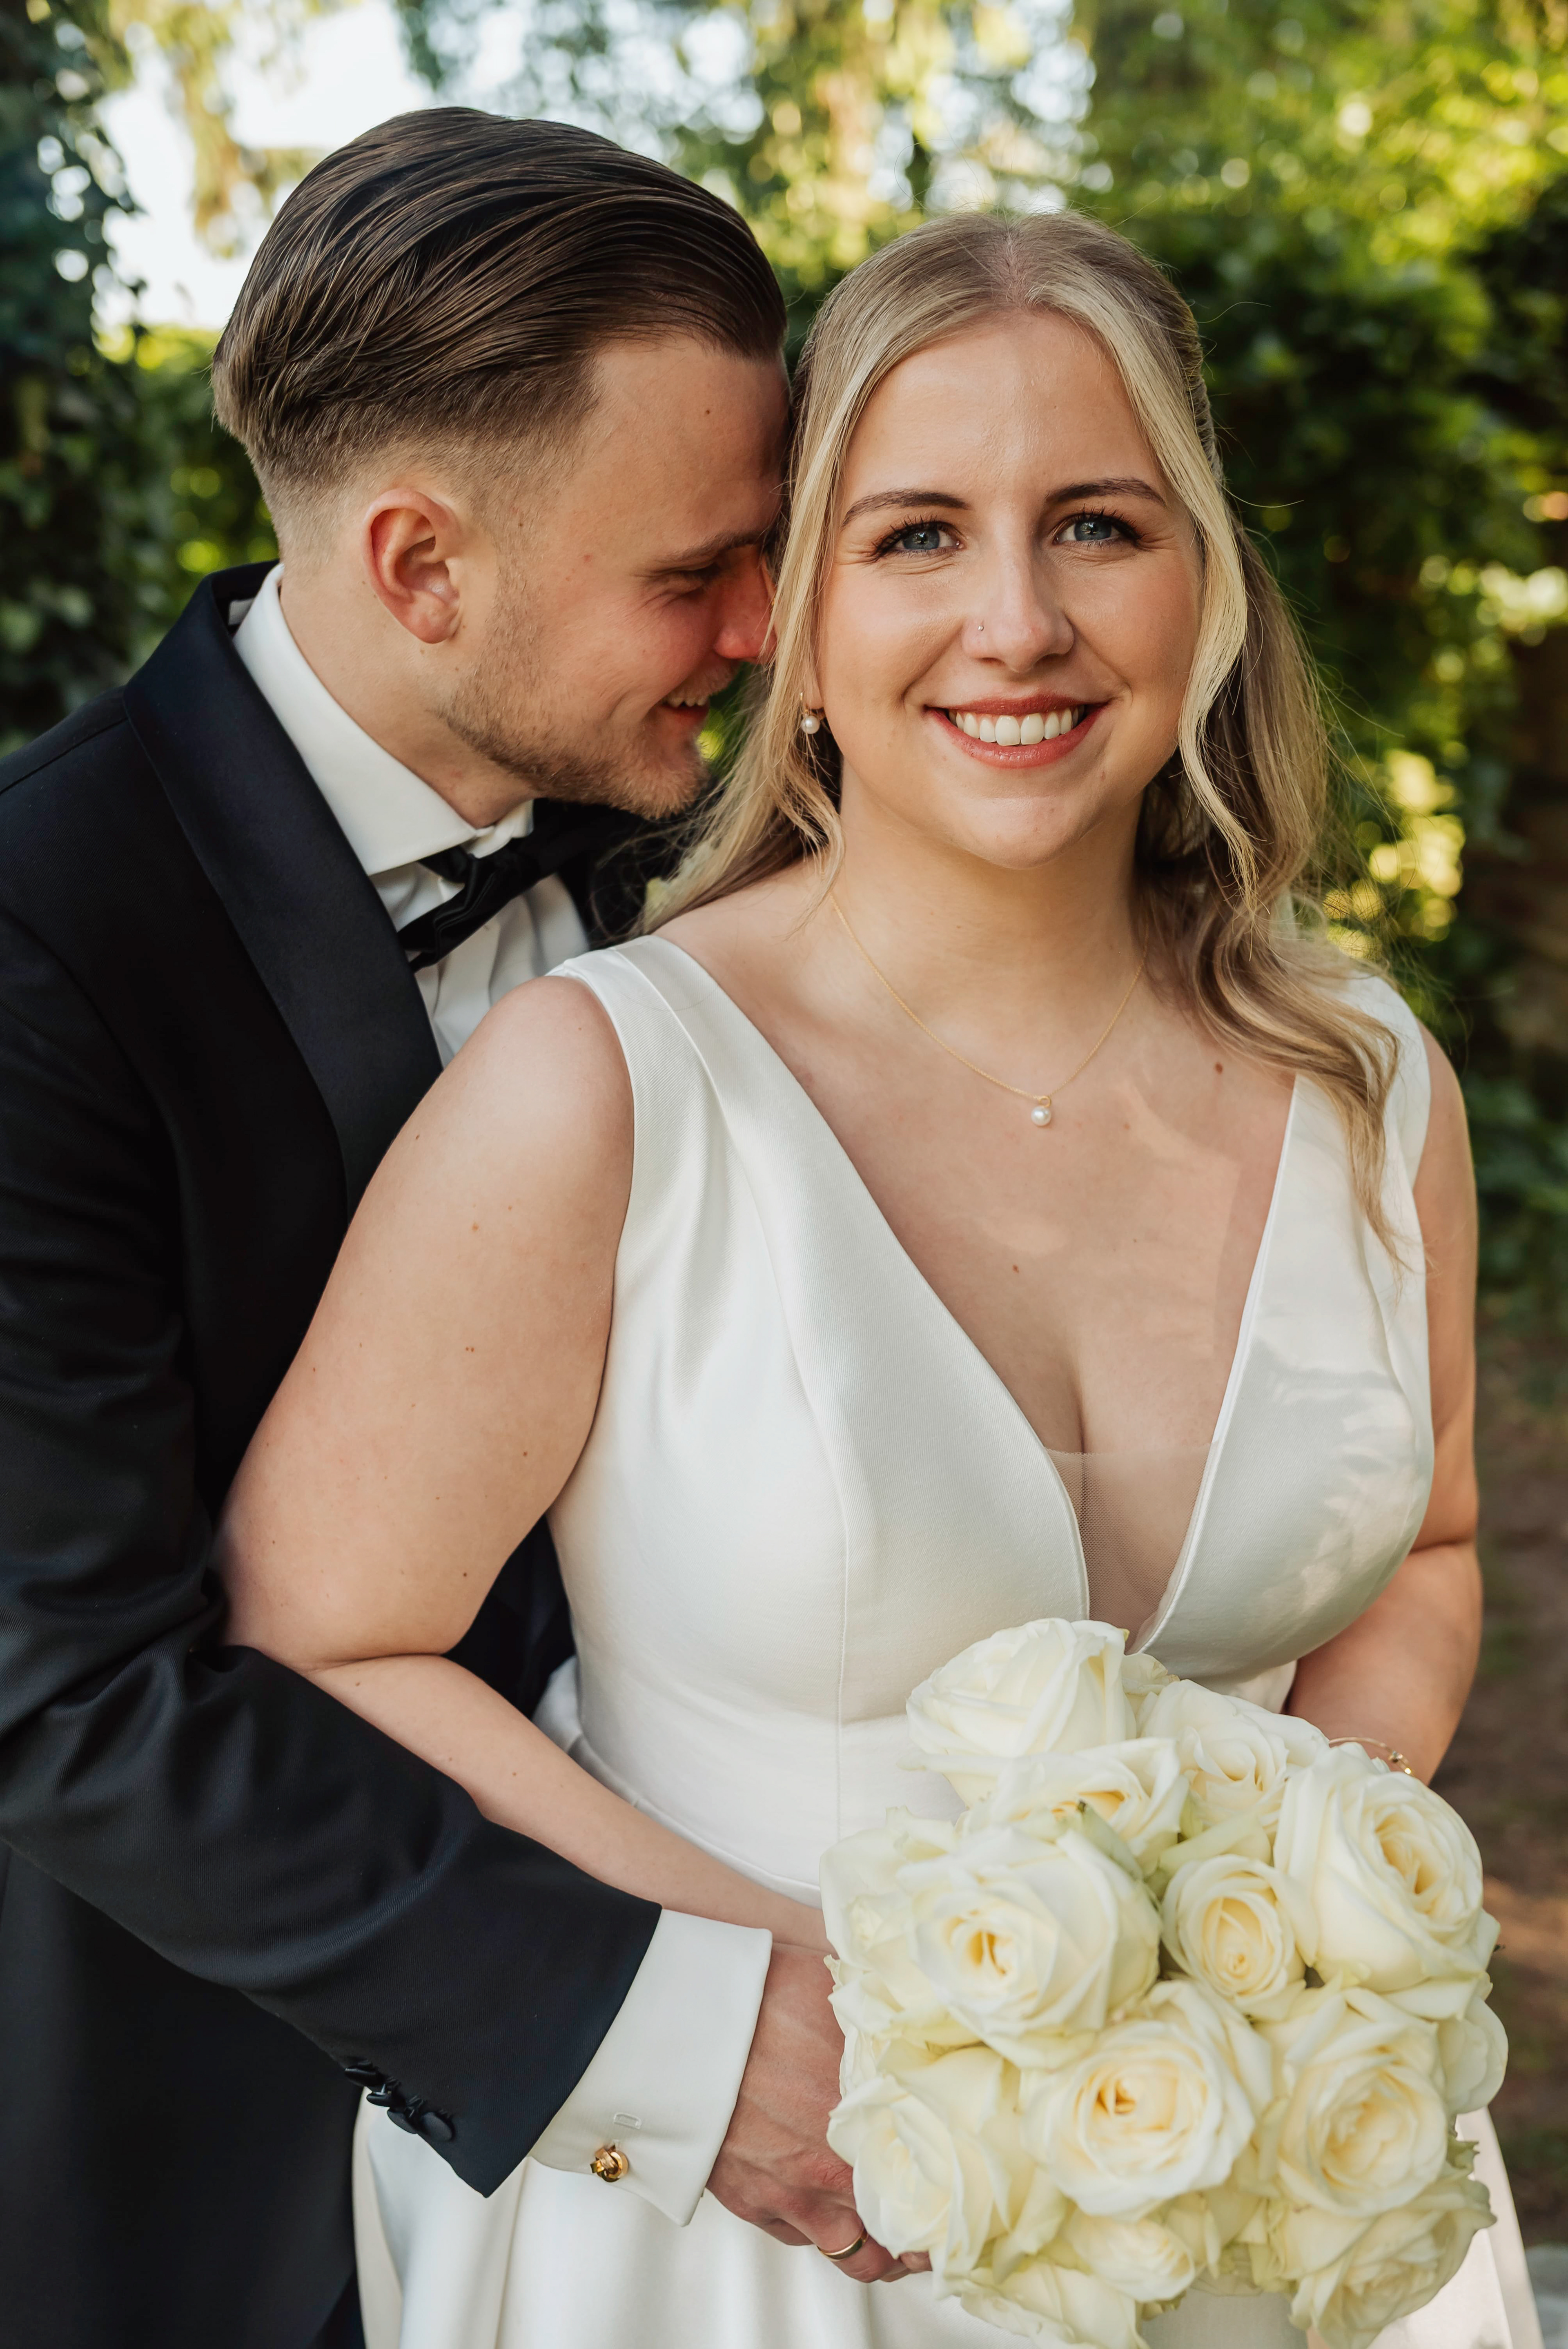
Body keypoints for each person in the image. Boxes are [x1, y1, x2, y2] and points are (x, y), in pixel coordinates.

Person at [218, 209, 1537, 2349]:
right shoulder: (607, 1087)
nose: (1014, 621)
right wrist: (781, 1998)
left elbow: (1432, 1549)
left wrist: (1294, 1922)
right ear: (795, 619)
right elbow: (323, 1632)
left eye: (1098, 522)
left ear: (1201, 584)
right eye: (917, 533)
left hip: (1297, 2222)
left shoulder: (1371, 1081)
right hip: (750, 2239)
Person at [0, 106, 884, 2349]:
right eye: (693, 570)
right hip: (234, 2173)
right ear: (420, 565)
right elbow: (74, 1692)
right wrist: (683, 2040)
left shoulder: (717, 860)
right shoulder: (43, 930)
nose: (766, 627)